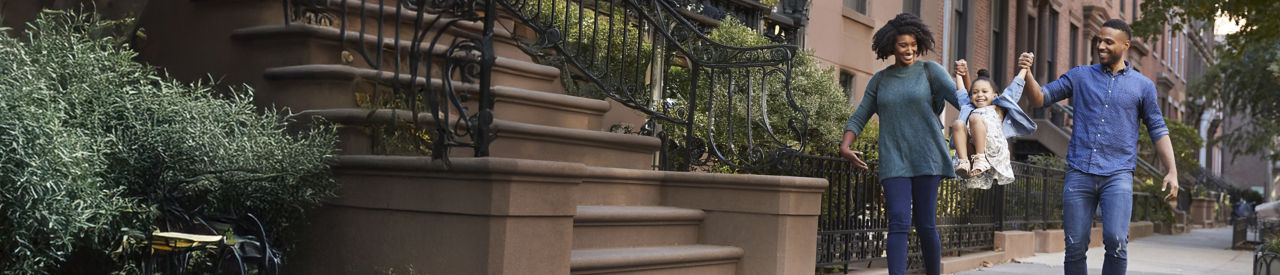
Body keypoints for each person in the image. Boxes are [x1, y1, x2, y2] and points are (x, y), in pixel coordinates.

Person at [1022, 19, 1180, 275]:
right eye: (1099, 40)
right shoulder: (1080, 76)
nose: (1101, 46)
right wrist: (1027, 74)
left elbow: (1158, 129)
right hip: (1079, 171)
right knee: (1074, 246)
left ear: (1125, 45)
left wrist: (1172, 170)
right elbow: (1040, 97)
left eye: (1109, 41)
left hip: (1118, 174)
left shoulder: (1143, 86)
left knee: (1117, 240)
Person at [838, 13, 958, 275]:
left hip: (928, 158)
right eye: (903, 45)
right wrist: (845, 146)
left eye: (914, 44)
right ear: (892, 45)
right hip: (894, 160)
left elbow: (963, 101)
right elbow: (860, 115)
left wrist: (982, 123)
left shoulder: (931, 72)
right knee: (898, 223)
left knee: (926, 224)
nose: (910, 50)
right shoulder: (880, 80)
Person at [949, 58, 1037, 189]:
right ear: (971, 97)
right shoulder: (968, 107)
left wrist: (1024, 68)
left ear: (994, 95)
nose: (979, 95)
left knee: (975, 118)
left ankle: (981, 159)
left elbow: (1015, 87)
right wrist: (958, 74)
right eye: (975, 92)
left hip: (993, 149)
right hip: (972, 148)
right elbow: (961, 92)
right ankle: (964, 163)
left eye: (984, 92)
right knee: (958, 124)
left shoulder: (998, 107)